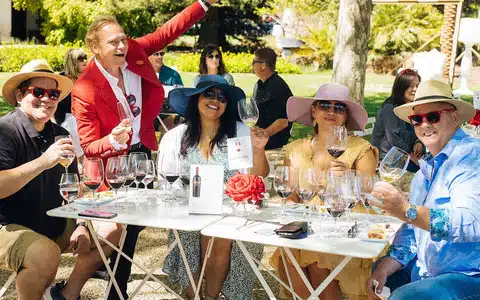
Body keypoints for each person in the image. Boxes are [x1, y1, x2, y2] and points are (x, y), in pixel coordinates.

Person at [71, 1, 217, 298]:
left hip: (140, 151)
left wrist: (203, 4)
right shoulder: (85, 89)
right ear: (95, 48)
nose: (122, 45)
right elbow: (87, 146)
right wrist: (112, 139)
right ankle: (104, 283)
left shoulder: (135, 52)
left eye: (123, 38)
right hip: (110, 162)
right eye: (113, 42)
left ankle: (115, 286)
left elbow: (169, 31)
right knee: (120, 226)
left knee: (135, 225)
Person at [0, 59, 121, 300]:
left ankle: (66, 294)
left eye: (53, 93)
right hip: (7, 227)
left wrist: (82, 225)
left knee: (112, 229)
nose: (47, 98)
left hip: (51, 223)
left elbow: (74, 189)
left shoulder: (60, 135)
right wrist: (44, 162)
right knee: (45, 253)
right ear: (19, 95)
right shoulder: (6, 131)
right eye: (38, 92)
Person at [367, 80, 480, 300]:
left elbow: (470, 223)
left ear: (454, 117)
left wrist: (406, 210)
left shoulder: (471, 156)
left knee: (405, 297)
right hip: (428, 272)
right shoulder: (423, 173)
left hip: (469, 276)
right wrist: (383, 269)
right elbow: (412, 233)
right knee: (382, 272)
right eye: (417, 119)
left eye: (433, 116)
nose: (425, 124)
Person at [159, 75, 269, 299]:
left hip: (231, 210)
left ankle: (209, 296)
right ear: (196, 99)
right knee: (197, 232)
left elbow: (257, 176)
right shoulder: (175, 137)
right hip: (188, 209)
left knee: (220, 233)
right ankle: (195, 294)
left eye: (222, 97)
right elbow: (167, 182)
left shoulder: (239, 132)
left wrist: (258, 150)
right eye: (209, 94)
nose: (215, 100)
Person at [269, 83, 379, 300]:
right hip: (305, 223)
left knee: (317, 257)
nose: (331, 111)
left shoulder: (359, 149)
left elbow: (370, 192)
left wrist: (348, 176)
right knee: (289, 252)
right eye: (324, 105)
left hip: (344, 225)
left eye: (339, 107)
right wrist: (291, 205)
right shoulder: (295, 149)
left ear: (346, 116)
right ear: (313, 110)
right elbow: (290, 196)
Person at [371, 68, 423, 172]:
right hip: (389, 160)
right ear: (401, 87)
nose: (415, 89)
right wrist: (412, 156)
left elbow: (418, 128)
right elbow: (394, 139)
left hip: (405, 156)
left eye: (417, 86)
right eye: (411, 86)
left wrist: (418, 142)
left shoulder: (411, 107)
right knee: (424, 171)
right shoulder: (390, 108)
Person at [252, 48, 293, 150]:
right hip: (261, 143)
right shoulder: (259, 84)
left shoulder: (278, 87)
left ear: (263, 65)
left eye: (254, 62)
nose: (251, 65)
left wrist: (264, 134)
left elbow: (284, 121)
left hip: (274, 145)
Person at [54, 48, 88, 169]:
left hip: (84, 113)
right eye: (80, 59)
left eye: (85, 57)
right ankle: (79, 161)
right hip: (67, 117)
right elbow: (59, 107)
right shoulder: (62, 79)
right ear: (72, 62)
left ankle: (85, 160)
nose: (84, 61)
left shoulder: (87, 77)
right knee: (73, 125)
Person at [148, 50, 183, 131]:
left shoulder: (173, 75)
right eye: (156, 54)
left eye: (162, 54)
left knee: (171, 122)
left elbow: (181, 99)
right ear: (147, 55)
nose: (160, 57)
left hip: (166, 114)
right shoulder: (140, 74)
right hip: (144, 115)